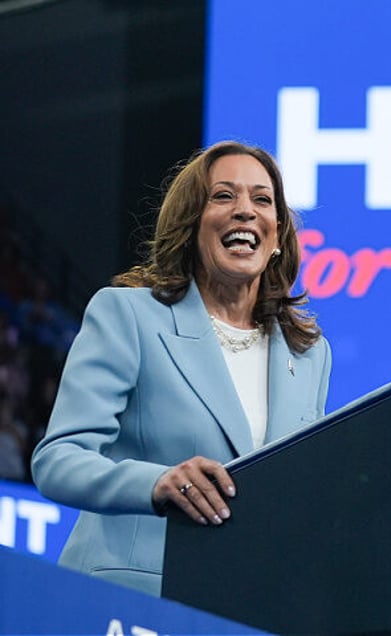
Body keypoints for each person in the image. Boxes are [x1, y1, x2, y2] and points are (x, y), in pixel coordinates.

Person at [30, 141, 332, 597]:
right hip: (132, 602)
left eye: (262, 200)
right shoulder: (129, 316)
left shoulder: (308, 354)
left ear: (277, 237)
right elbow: (58, 460)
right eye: (224, 196)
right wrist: (156, 483)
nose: (245, 211)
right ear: (191, 224)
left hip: (249, 609)